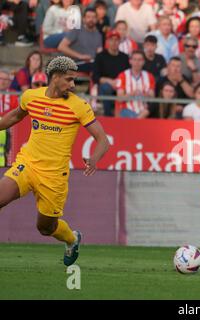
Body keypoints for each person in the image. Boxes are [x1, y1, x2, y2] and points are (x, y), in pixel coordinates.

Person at [0, 56, 110, 266]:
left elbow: (103, 140)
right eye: (69, 79)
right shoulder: (31, 96)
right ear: (55, 77)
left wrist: (94, 159)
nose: (72, 84)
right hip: (28, 164)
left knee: (45, 228)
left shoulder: (79, 106)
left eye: (74, 80)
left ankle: (72, 238)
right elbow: (13, 117)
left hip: (54, 177)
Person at [93, 30, 130, 117]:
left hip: (121, 85)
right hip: (106, 86)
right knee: (106, 88)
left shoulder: (125, 57)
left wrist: (119, 83)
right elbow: (95, 76)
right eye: (111, 39)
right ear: (107, 41)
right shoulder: (100, 56)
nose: (114, 42)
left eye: (116, 40)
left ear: (119, 42)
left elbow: (128, 74)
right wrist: (109, 81)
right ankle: (108, 115)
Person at [58, 8, 103, 73]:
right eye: (88, 17)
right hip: (76, 63)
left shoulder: (98, 35)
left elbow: (99, 52)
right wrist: (80, 56)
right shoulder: (77, 30)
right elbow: (61, 47)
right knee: (95, 67)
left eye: (93, 17)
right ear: (83, 19)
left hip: (91, 63)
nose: (91, 19)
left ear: (96, 19)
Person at [115, 50, 155, 118]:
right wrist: (132, 94)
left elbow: (152, 97)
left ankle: (137, 120)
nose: (137, 62)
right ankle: (137, 121)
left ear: (143, 62)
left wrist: (144, 94)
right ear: (130, 61)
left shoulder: (149, 76)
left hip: (144, 111)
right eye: (135, 59)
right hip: (126, 110)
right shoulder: (122, 75)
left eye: (140, 60)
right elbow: (119, 98)